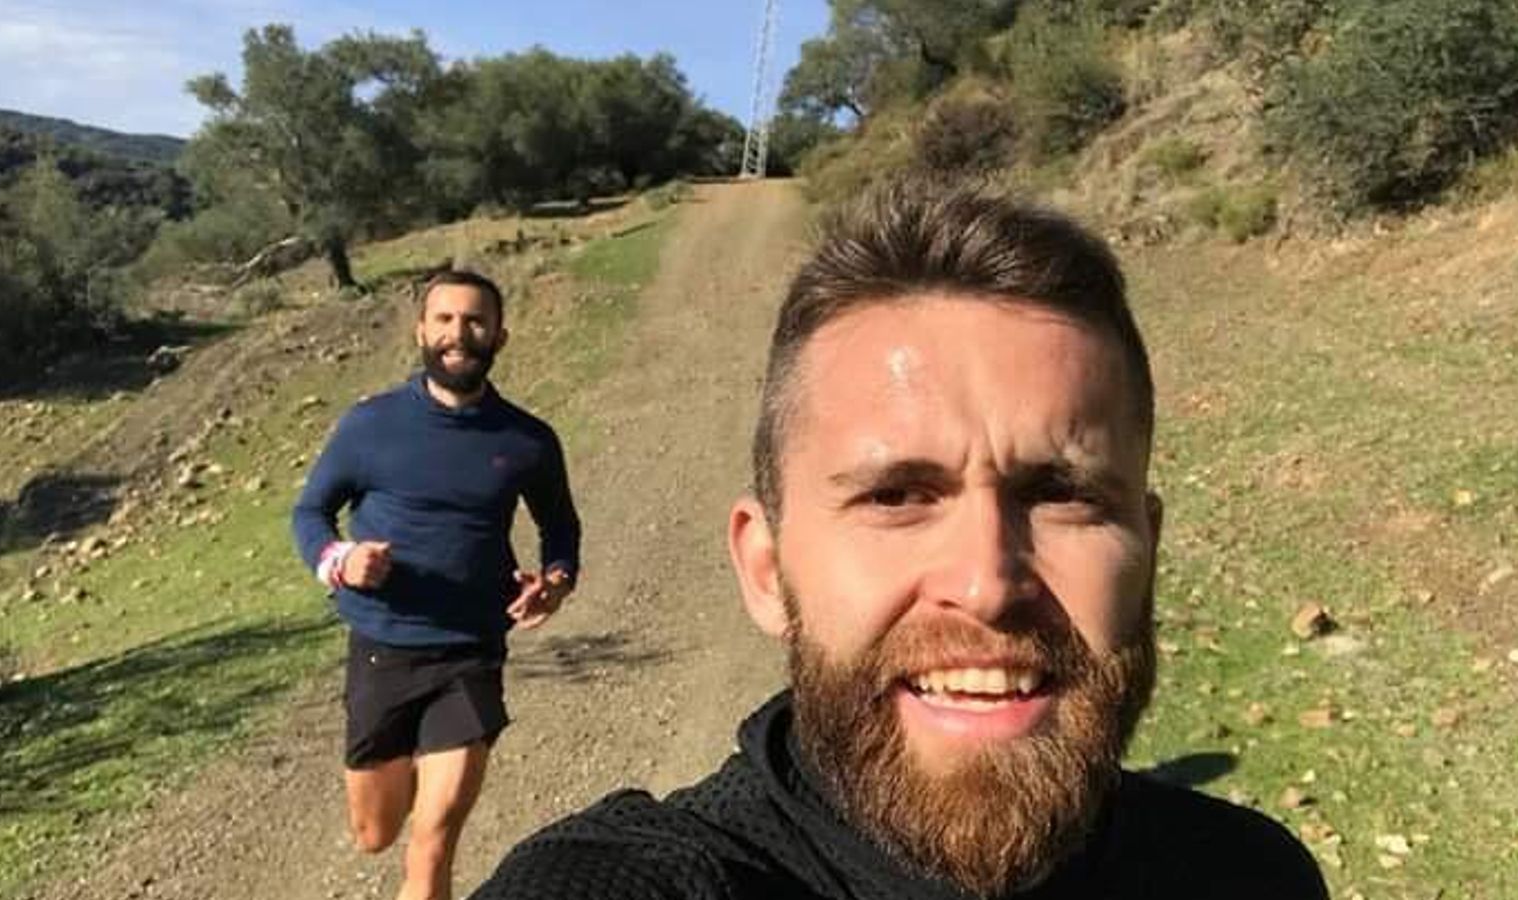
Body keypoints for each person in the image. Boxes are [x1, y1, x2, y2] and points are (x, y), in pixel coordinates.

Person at [471, 182, 1327, 900]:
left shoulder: (1251, 877)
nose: (988, 582)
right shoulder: (628, 883)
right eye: (895, 496)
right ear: (766, 569)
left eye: (1062, 495)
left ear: (1148, 550)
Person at [292, 269, 582, 900]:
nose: (459, 333)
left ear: (499, 335)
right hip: (383, 646)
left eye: (475, 320)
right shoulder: (371, 425)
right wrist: (340, 560)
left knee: (433, 840)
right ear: (422, 331)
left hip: (470, 652)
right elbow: (308, 513)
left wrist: (555, 582)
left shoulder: (527, 440)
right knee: (376, 831)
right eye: (445, 319)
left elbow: (560, 529)